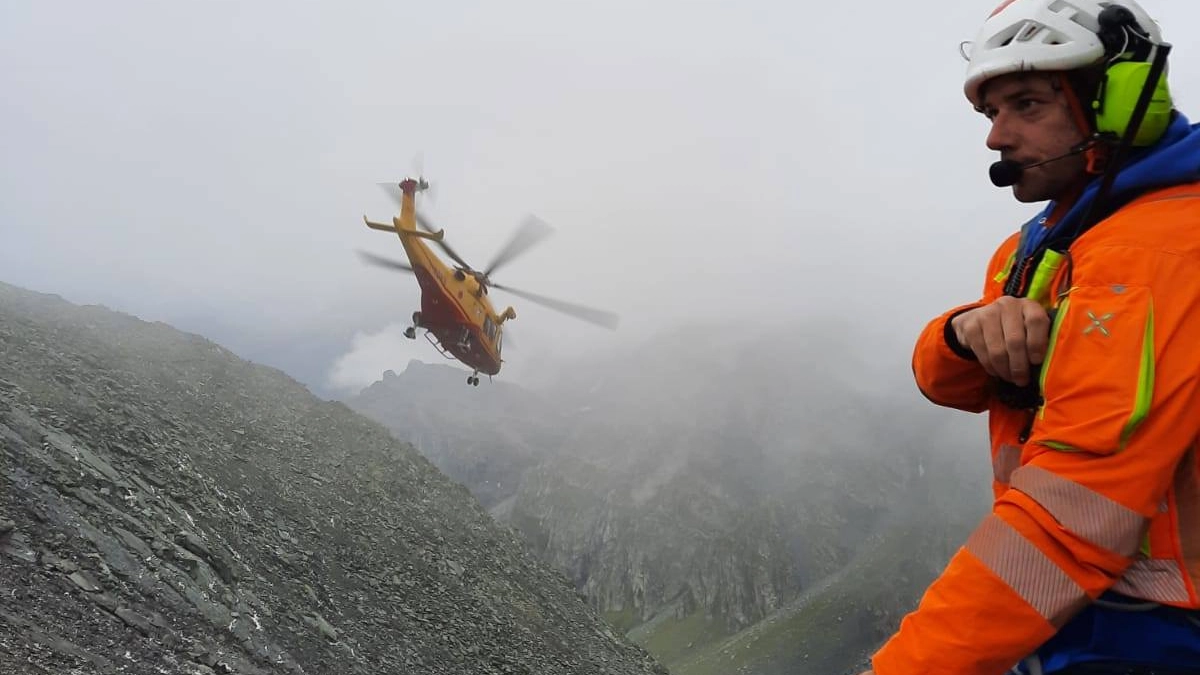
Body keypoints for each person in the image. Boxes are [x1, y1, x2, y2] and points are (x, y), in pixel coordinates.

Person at [862, 1, 1200, 673]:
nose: (996, 137)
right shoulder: (1051, 242)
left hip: (1158, 637)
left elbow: (1072, 519)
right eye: (992, 114)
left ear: (1117, 99)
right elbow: (947, 381)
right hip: (1080, 619)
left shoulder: (1158, 252)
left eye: (1026, 105)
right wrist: (960, 334)